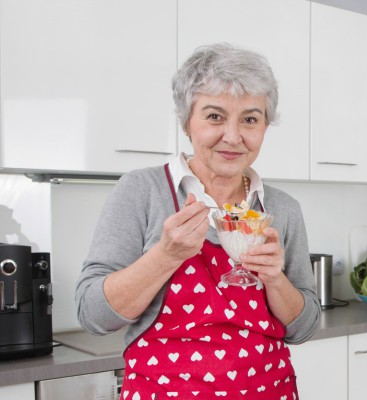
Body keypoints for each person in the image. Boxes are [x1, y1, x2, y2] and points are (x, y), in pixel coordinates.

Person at [75, 43, 320, 399]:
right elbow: (93, 316)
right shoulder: (142, 190)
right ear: (187, 121)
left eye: (250, 119)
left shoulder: (282, 209)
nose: (233, 137)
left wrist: (274, 279)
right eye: (215, 117)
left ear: (265, 126)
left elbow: (304, 327)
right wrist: (166, 255)